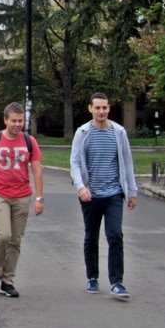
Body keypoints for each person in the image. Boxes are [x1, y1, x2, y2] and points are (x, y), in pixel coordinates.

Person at [0, 102, 44, 298]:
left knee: (15, 240)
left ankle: (8, 281)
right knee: (3, 235)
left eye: (21, 121)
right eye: (14, 121)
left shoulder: (29, 141)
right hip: (0, 194)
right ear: (5, 120)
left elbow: (37, 170)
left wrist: (39, 198)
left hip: (22, 195)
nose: (17, 124)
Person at [70, 92, 137, 299]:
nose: (101, 111)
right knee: (91, 236)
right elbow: (75, 162)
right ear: (90, 109)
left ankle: (117, 282)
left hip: (114, 193)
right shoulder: (83, 132)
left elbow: (127, 162)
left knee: (115, 234)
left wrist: (132, 191)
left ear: (109, 108)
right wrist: (81, 187)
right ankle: (92, 277)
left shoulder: (119, 132)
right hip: (90, 195)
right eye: (97, 108)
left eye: (105, 107)